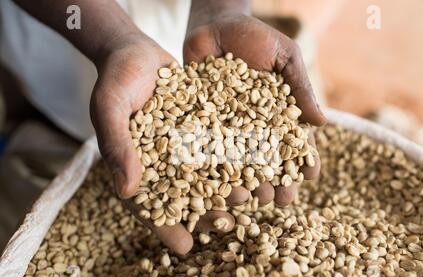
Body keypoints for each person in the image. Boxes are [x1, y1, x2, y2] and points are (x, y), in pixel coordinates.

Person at [0, 0, 326, 254]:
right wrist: (113, 39)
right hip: (63, 39)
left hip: (180, 37)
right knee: (52, 123)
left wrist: (220, 10)